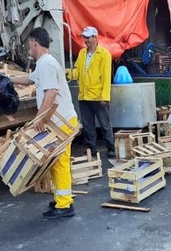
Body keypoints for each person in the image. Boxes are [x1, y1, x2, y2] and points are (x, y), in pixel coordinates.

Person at [11, 27, 78, 220]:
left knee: (60, 162)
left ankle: (65, 205)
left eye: (29, 45)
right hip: (59, 120)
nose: (28, 49)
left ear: (34, 43)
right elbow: (29, 79)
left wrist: (39, 118)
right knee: (56, 162)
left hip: (62, 121)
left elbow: (51, 92)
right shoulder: (43, 64)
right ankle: (61, 199)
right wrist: (9, 79)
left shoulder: (46, 63)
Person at [68, 26, 115, 158]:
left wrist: (105, 97)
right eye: (84, 37)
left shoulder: (105, 54)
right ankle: (91, 149)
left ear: (95, 37)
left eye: (88, 37)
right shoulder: (82, 53)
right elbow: (77, 72)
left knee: (105, 125)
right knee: (88, 126)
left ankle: (111, 148)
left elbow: (106, 78)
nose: (85, 40)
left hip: (98, 96)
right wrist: (68, 73)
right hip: (84, 96)